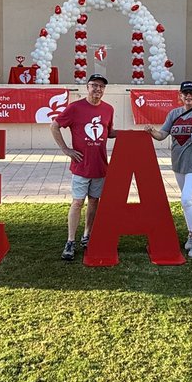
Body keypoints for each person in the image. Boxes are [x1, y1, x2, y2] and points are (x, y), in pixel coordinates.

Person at [144, 79, 192, 257]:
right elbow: (162, 134)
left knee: (186, 199)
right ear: (180, 96)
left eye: (191, 93)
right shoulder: (174, 114)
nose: (188, 96)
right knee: (188, 201)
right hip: (179, 163)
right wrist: (152, 131)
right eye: (185, 93)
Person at [50, 74, 116, 260]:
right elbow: (54, 126)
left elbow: (109, 132)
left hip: (100, 165)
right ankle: (70, 241)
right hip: (81, 166)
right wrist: (66, 149)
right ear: (87, 87)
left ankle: (87, 235)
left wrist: (131, 135)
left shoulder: (108, 109)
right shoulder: (75, 108)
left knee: (95, 201)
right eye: (94, 85)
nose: (98, 89)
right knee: (78, 202)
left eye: (101, 86)